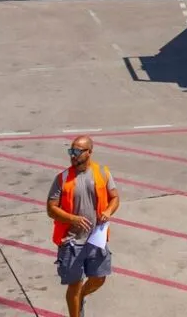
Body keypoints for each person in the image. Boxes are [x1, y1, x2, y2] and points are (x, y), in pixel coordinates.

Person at [47, 134, 117, 316]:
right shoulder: (62, 179)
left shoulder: (102, 172)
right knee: (75, 284)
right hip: (72, 242)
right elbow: (51, 209)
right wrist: (72, 219)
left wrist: (109, 211)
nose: (73, 155)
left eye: (77, 151)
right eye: (71, 151)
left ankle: (81, 297)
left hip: (96, 238)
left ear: (89, 152)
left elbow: (115, 198)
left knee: (99, 278)